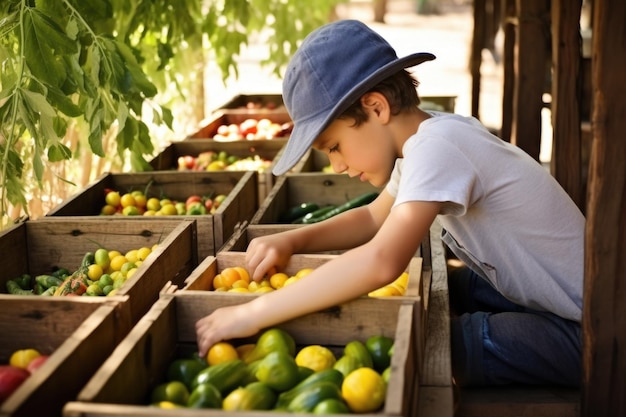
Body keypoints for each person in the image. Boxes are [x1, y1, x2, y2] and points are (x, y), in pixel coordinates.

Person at [196, 19, 584, 387]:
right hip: (558, 300)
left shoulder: (437, 147)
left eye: (334, 147)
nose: (338, 165)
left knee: (437, 341)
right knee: (458, 288)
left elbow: (381, 261)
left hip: (592, 331)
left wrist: (251, 313)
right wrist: (293, 240)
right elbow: (371, 218)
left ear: (376, 107)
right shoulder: (425, 139)